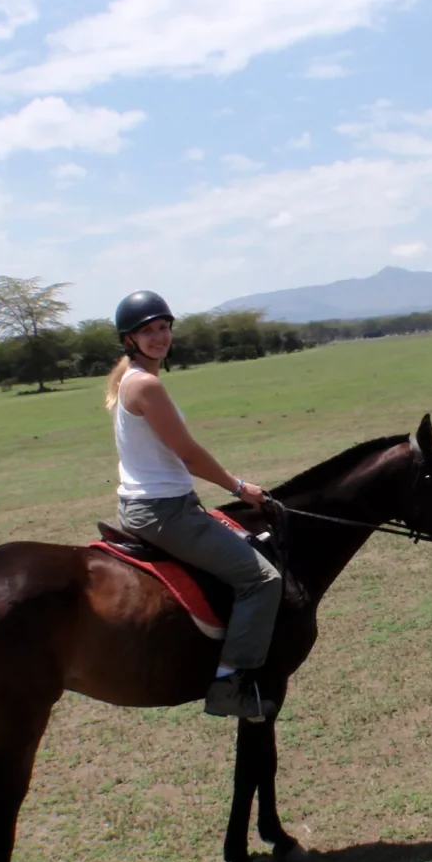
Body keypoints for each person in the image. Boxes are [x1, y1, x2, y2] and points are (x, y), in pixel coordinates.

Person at [104, 291, 283, 721]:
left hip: (150, 503)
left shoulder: (129, 378)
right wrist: (239, 487)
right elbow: (188, 453)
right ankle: (228, 685)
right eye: (148, 331)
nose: (159, 336)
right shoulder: (146, 384)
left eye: (164, 327)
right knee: (262, 579)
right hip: (165, 510)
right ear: (129, 339)